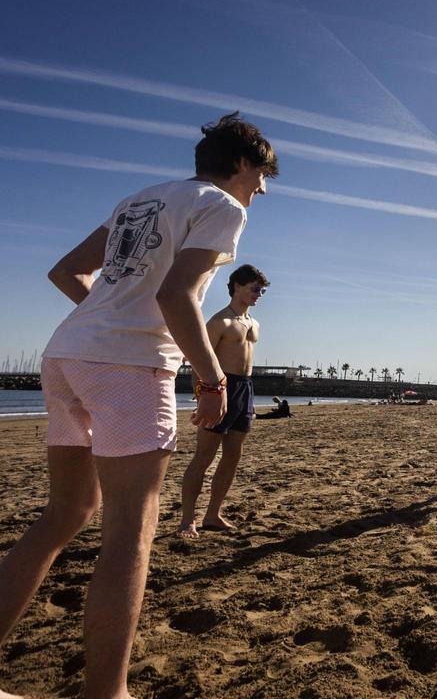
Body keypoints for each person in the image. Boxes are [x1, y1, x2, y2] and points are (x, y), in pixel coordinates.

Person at [0, 112, 276, 698]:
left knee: (64, 516)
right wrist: (209, 379)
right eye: (262, 175)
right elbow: (175, 294)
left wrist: (111, 318)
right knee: (129, 532)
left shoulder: (141, 198)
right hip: (127, 368)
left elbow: (66, 270)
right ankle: (108, 692)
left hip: (67, 355)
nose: (263, 189)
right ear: (244, 164)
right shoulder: (225, 207)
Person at [177, 264, 270, 538]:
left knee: (232, 455)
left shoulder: (254, 323)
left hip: (245, 388)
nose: (259, 294)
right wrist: (205, 393)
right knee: (204, 455)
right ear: (237, 286)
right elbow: (197, 358)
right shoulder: (220, 322)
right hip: (220, 385)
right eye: (255, 288)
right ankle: (186, 520)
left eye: (262, 290)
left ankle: (212, 514)